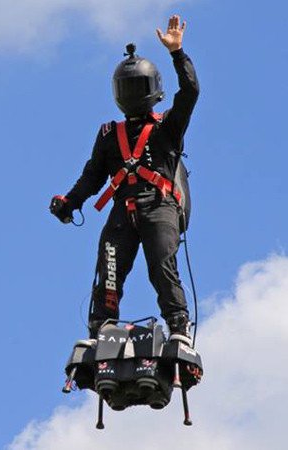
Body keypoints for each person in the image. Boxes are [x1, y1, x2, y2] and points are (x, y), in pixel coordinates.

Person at [50, 15, 200, 343]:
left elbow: (190, 91)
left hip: (159, 206)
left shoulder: (168, 127)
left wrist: (177, 53)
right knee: (109, 269)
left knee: (161, 266)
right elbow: (92, 176)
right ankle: (101, 327)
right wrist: (69, 202)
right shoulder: (109, 134)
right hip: (123, 211)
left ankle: (178, 325)